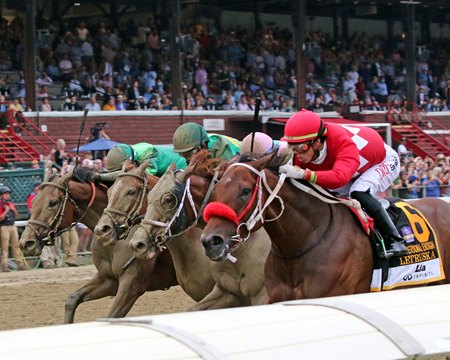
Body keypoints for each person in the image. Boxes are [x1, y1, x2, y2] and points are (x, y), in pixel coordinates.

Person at [278, 109, 408, 258]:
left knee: (358, 192)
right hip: (351, 168)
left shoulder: (342, 141)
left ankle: (395, 239)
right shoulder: (310, 145)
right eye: (293, 148)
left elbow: (339, 178)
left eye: (302, 148)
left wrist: (304, 173)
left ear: (318, 142)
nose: (298, 155)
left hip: (382, 161)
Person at [86, 142, 187, 183]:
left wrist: (101, 177)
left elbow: (144, 177)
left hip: (183, 168)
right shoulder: (132, 153)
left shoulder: (148, 153)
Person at [27, 182, 59, 269]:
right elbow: (32, 210)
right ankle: (46, 262)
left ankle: (53, 260)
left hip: (45, 222)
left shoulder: (45, 197)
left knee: (51, 241)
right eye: (37, 188)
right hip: (37, 222)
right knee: (42, 241)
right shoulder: (32, 197)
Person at [172, 122, 241, 162]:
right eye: (183, 155)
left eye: (189, 154)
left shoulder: (221, 150)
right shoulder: (200, 140)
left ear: (202, 145)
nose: (188, 159)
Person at [0, 186, 29, 272]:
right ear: (1, 195)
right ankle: (4, 266)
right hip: (3, 227)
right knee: (4, 247)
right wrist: (6, 210)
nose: (8, 195)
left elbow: (16, 216)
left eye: (8, 194)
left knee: (16, 246)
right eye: (6, 194)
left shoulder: (10, 204)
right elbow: (0, 218)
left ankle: (20, 264)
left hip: (12, 226)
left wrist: (14, 210)